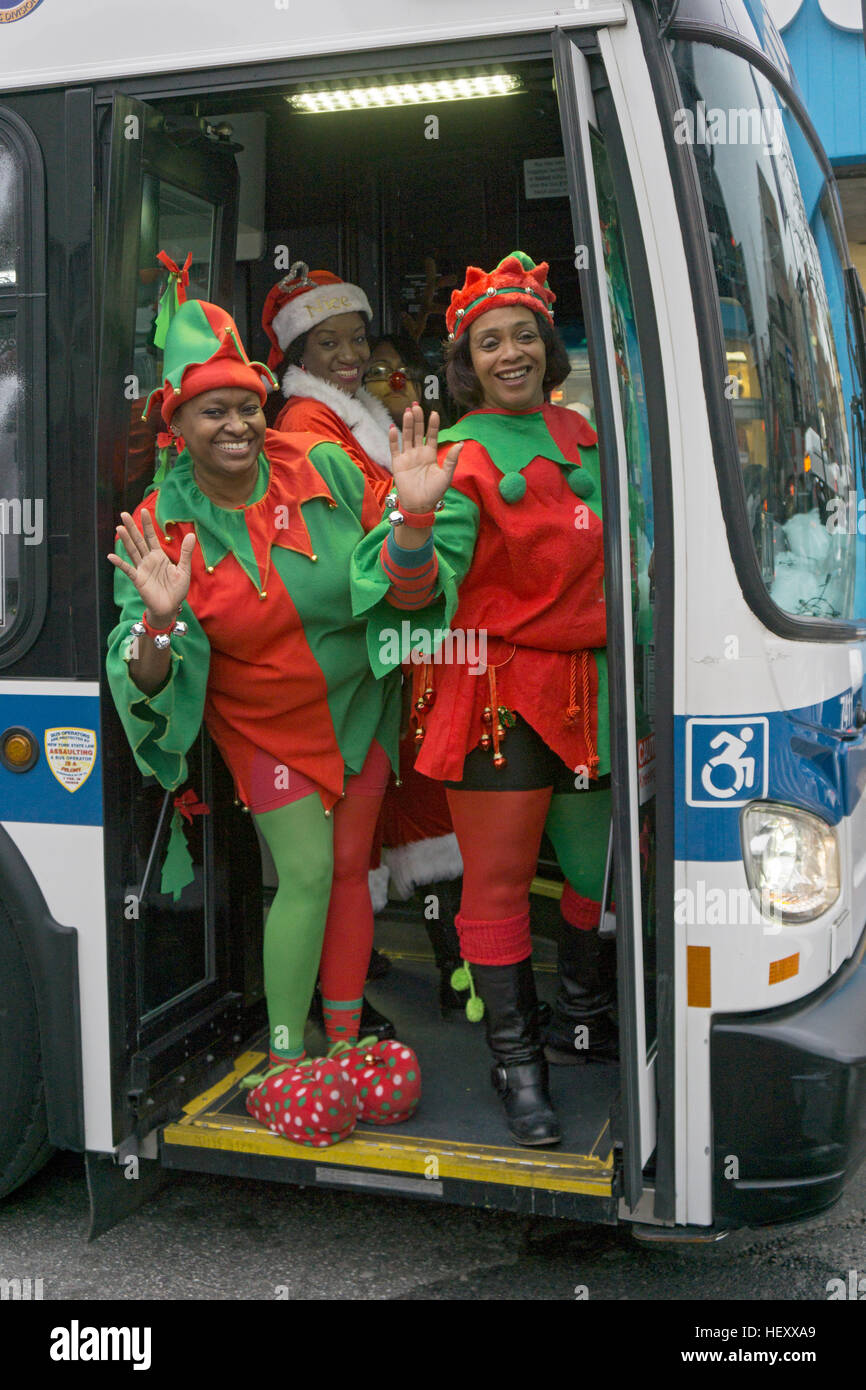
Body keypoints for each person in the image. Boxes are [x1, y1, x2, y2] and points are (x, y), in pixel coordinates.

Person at [106, 297, 460, 1139]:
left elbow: (407, 589)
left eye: (244, 405)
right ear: (178, 423)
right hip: (261, 722)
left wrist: (411, 519)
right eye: (212, 409)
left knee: (346, 868)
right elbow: (147, 673)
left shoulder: (326, 468)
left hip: (358, 705)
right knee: (304, 872)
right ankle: (285, 1058)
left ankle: (343, 1041)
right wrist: (157, 623)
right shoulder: (161, 522)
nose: (235, 424)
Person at [352, 252, 615, 1147]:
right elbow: (416, 595)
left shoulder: (586, 436)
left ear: (549, 345)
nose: (512, 353)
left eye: (525, 335)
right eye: (490, 341)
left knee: (595, 875)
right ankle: (519, 1067)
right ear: (467, 361)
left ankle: (580, 1019)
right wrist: (416, 520)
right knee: (499, 889)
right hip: (496, 696)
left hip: (592, 695)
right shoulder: (455, 455)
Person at [262, 263, 394, 500]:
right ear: (299, 354)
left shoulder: (356, 408)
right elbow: (361, 502)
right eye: (329, 343)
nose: (350, 356)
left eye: (359, 339)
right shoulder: (306, 419)